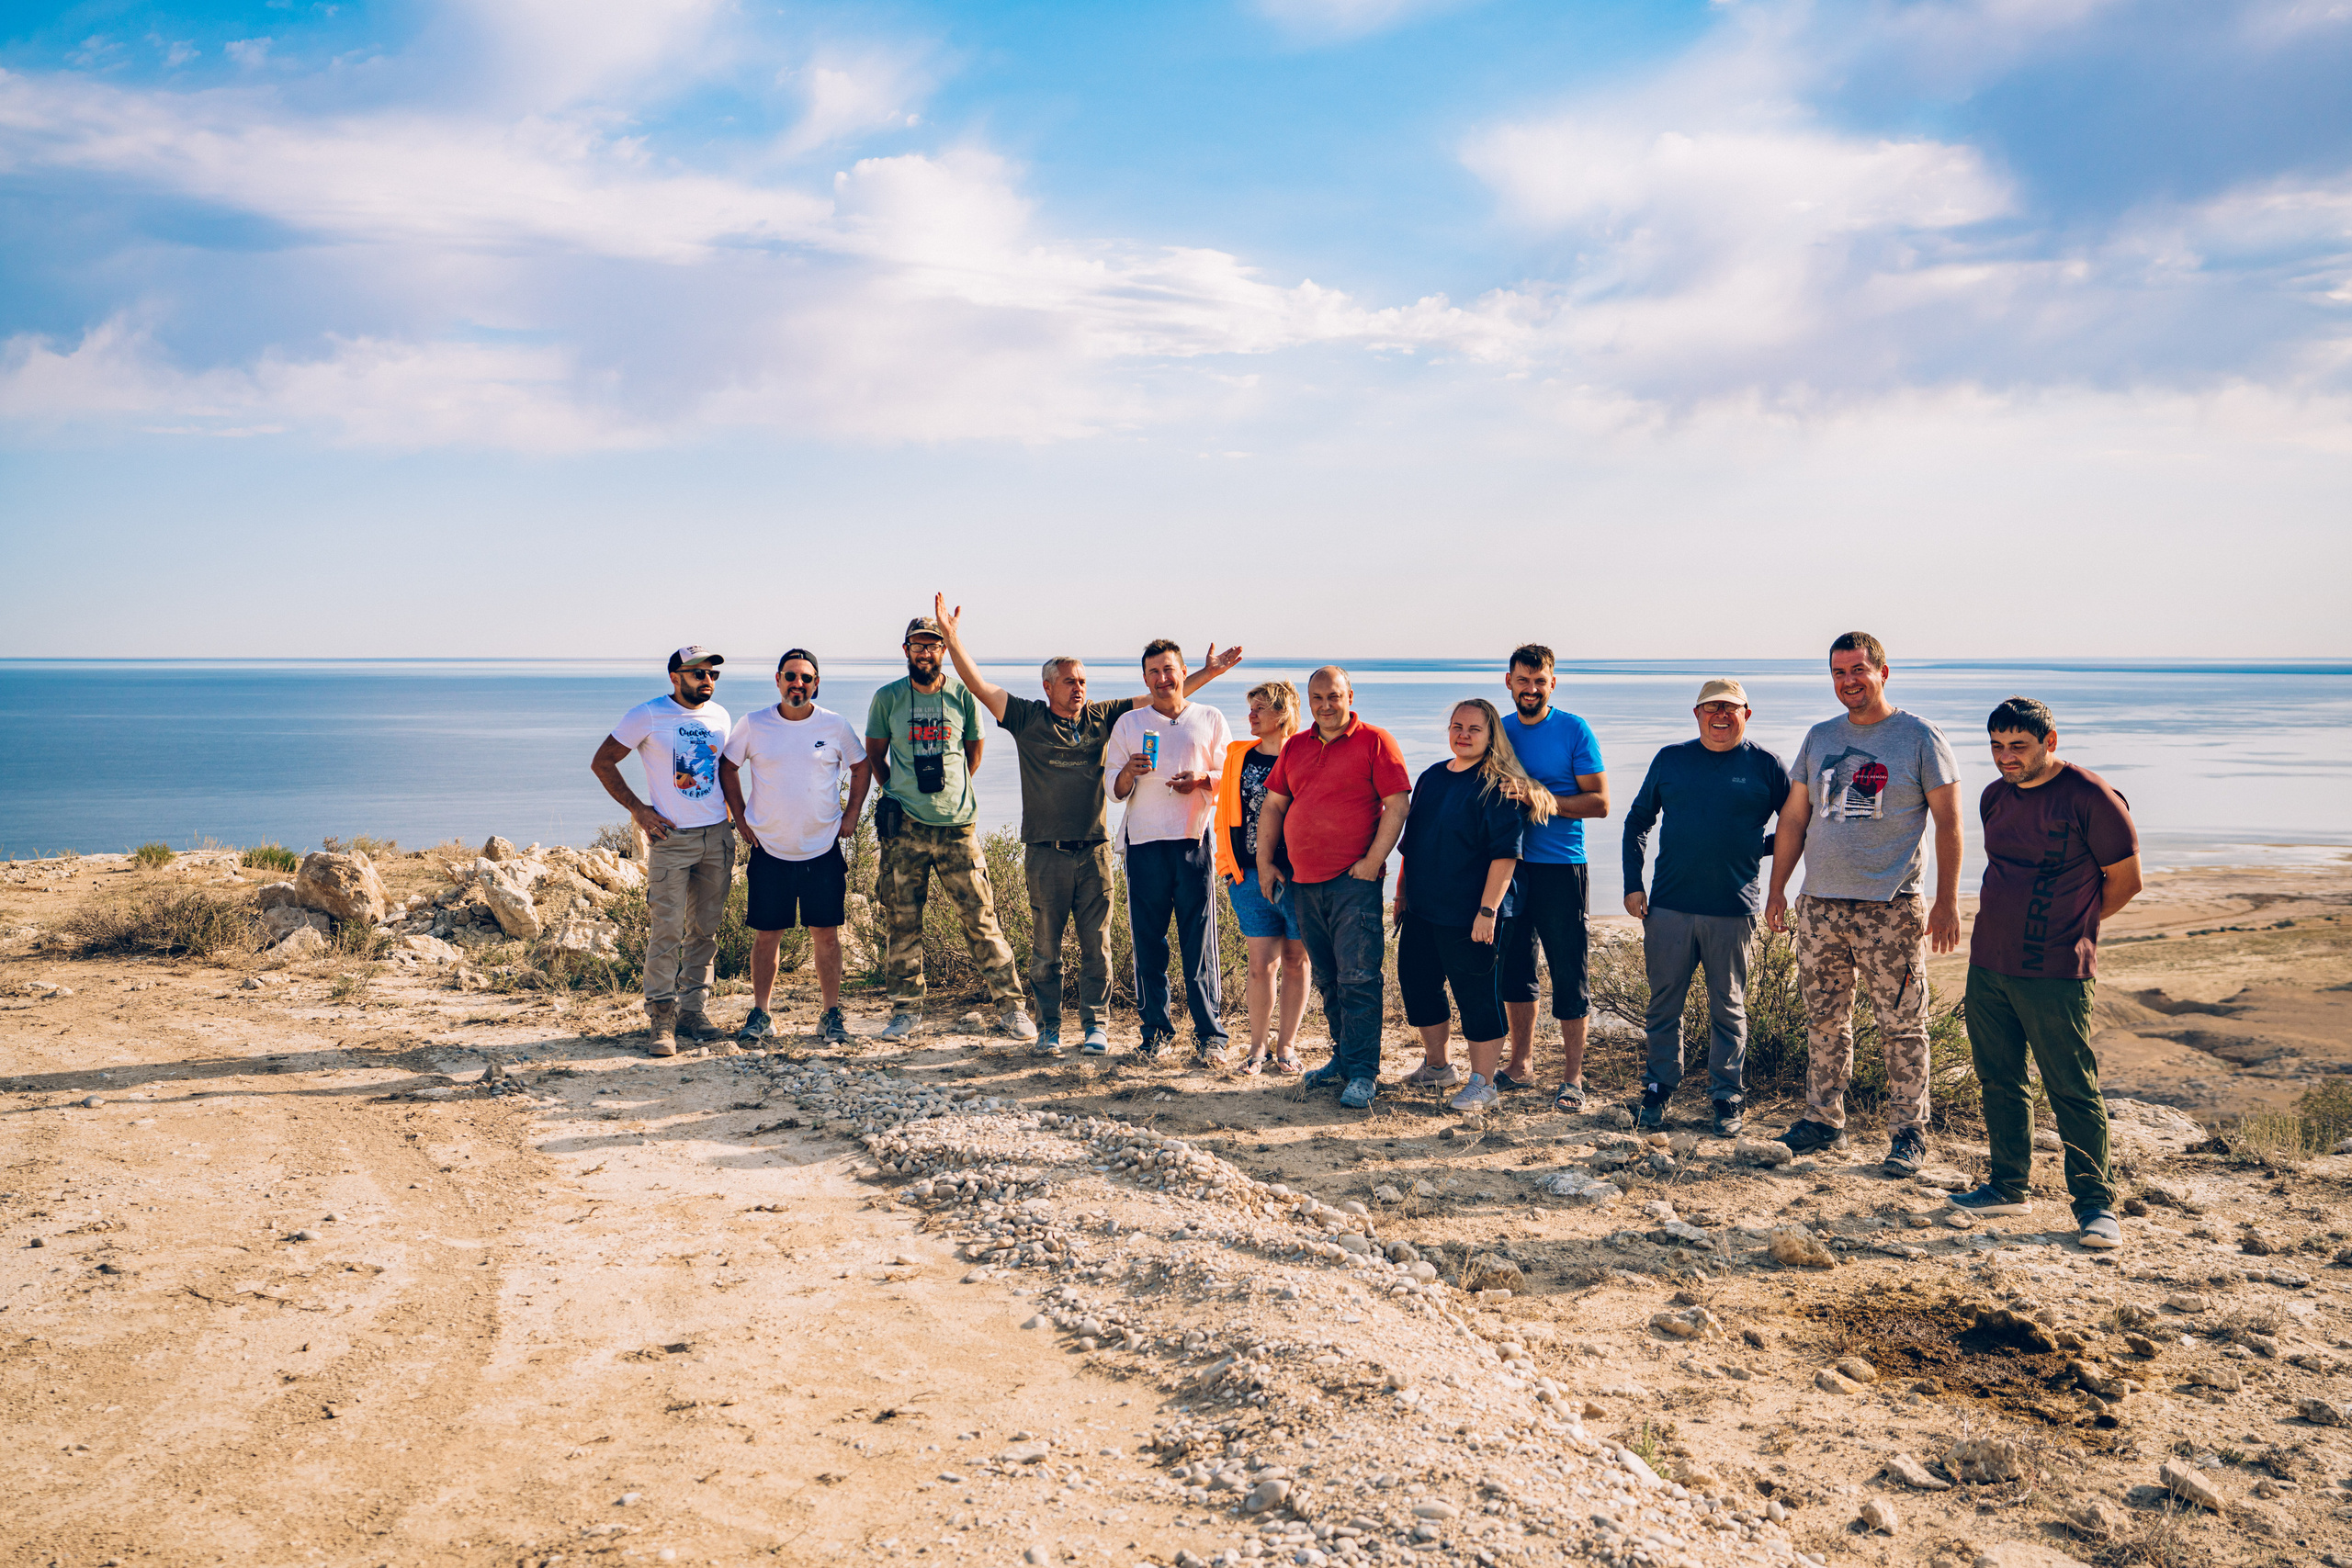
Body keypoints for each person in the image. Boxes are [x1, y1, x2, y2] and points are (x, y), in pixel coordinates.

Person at [933, 594, 1239, 1055]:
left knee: (1099, 949)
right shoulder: (1026, 718)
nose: (1078, 688)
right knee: (1046, 949)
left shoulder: (1103, 716)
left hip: (1095, 849)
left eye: (1082, 681)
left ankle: (1097, 1026)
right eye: (1069, 682)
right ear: (1047, 686)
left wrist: (1207, 674)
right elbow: (979, 687)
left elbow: (1164, 695)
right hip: (1045, 851)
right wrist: (952, 640)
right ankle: (1051, 1028)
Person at [1764, 631, 1962, 1175]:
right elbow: (1795, 818)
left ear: (1882, 673)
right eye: (1838, 672)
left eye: (1858, 670)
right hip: (1821, 905)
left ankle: (1909, 1134)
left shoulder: (1919, 736)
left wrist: (1946, 901)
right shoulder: (1820, 737)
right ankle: (1823, 1121)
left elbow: (1948, 823)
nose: (1848, 681)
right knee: (1824, 1019)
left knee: (1902, 1024)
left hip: (1890, 906)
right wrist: (1779, 888)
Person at [1950, 696, 2142, 1250]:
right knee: (1999, 1078)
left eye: (2019, 746)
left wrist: (2071, 926)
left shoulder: (2091, 796)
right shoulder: (1994, 796)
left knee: (2071, 1087)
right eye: (1997, 746)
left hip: (2056, 970)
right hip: (1990, 962)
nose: (2005, 757)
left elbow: (2126, 882)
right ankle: (2007, 1186)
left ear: (2050, 742)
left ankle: (2096, 1206)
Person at [1620, 678, 1792, 1138]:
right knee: (1663, 1006)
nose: (1720, 715)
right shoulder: (1671, 759)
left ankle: (1727, 1095)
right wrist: (1633, 885)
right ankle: (1658, 1089)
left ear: (1746, 715)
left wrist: (1755, 848)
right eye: (1711, 707)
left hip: (1733, 910)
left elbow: (1797, 826)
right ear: (1696, 714)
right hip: (1668, 907)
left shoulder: (1767, 765)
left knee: (1728, 1008)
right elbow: (1638, 821)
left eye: (1730, 708)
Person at [864, 615, 1034, 1043]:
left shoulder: (962, 696)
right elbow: (875, 754)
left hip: (958, 827)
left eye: (933, 645)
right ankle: (905, 1011)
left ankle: (1012, 1008)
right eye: (918, 645)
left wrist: (952, 793)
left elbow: (973, 754)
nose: (925, 653)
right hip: (905, 827)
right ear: (906, 651)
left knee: (981, 919)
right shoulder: (887, 698)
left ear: (943, 650)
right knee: (902, 921)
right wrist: (898, 792)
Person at [1257, 667, 1412, 1111]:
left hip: (1353, 884)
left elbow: (1398, 805)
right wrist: (1265, 863)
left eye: (1334, 696)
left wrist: (1372, 862)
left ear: (1349, 697)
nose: (1326, 705)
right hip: (1303, 884)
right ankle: (1343, 1058)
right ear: (1308, 701)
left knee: (1359, 979)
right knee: (1328, 979)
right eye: (1318, 697)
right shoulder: (1296, 746)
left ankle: (1363, 1073)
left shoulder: (1375, 741)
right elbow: (1274, 805)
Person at [1396, 699, 1550, 1114]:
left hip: (1473, 913)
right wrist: (1402, 894)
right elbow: (1413, 844)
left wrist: (1487, 911)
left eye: (1474, 729)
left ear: (1490, 735)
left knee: (1478, 995)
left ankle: (1482, 1083)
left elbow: (1506, 856)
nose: (1463, 734)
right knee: (1418, 984)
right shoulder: (1432, 777)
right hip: (1423, 908)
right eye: (1457, 726)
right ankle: (1438, 1066)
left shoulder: (1498, 785)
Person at [718, 648, 870, 1048]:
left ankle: (830, 1014)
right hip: (770, 849)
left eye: (806, 678)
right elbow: (728, 767)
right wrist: (740, 816)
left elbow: (861, 766)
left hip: (822, 849)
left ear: (816, 683)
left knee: (827, 935)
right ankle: (761, 1013)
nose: (797, 684)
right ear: (778, 680)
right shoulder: (754, 724)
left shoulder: (835, 725)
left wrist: (852, 815)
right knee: (766, 936)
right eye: (790, 676)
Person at [589, 646, 734, 1057]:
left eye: (712, 674)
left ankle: (693, 1012)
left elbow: (725, 770)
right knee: (667, 930)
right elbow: (603, 762)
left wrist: (734, 816)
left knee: (705, 930)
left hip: (716, 837)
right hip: (672, 840)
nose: (707, 680)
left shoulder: (720, 716)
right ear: (675, 677)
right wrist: (639, 810)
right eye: (698, 673)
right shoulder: (648, 714)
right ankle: (661, 1018)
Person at [1105, 641, 1234, 1062]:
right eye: (1154, 672)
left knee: (1199, 942)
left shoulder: (1210, 718)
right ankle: (1155, 1033)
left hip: (1194, 841)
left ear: (1182, 671)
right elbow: (1113, 790)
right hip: (1143, 844)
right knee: (1148, 944)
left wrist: (1201, 780)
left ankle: (1210, 1035)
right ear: (1145, 679)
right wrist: (1129, 771)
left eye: (1169, 669)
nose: (1163, 678)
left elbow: (1228, 776)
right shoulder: (1129, 723)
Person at [1496, 645, 1609, 1111]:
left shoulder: (1574, 729)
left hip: (1562, 865)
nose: (1531, 689)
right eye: (1523, 681)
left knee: (1569, 972)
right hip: (1509, 867)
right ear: (1509, 682)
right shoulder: (1498, 730)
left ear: (1553, 684)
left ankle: (1573, 1077)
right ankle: (1520, 1065)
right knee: (1515, 970)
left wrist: (1539, 797)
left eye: (1540, 681)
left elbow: (1600, 803)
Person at [1215, 681, 1309, 1075]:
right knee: (1260, 964)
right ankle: (1258, 1048)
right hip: (1249, 876)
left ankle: (1286, 1046)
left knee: (1296, 961)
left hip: (1302, 876)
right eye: (1251, 708)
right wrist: (1228, 867)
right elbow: (1223, 811)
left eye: (1259, 709)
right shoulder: (1238, 756)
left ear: (1282, 714)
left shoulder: (1307, 754)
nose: (1250, 716)